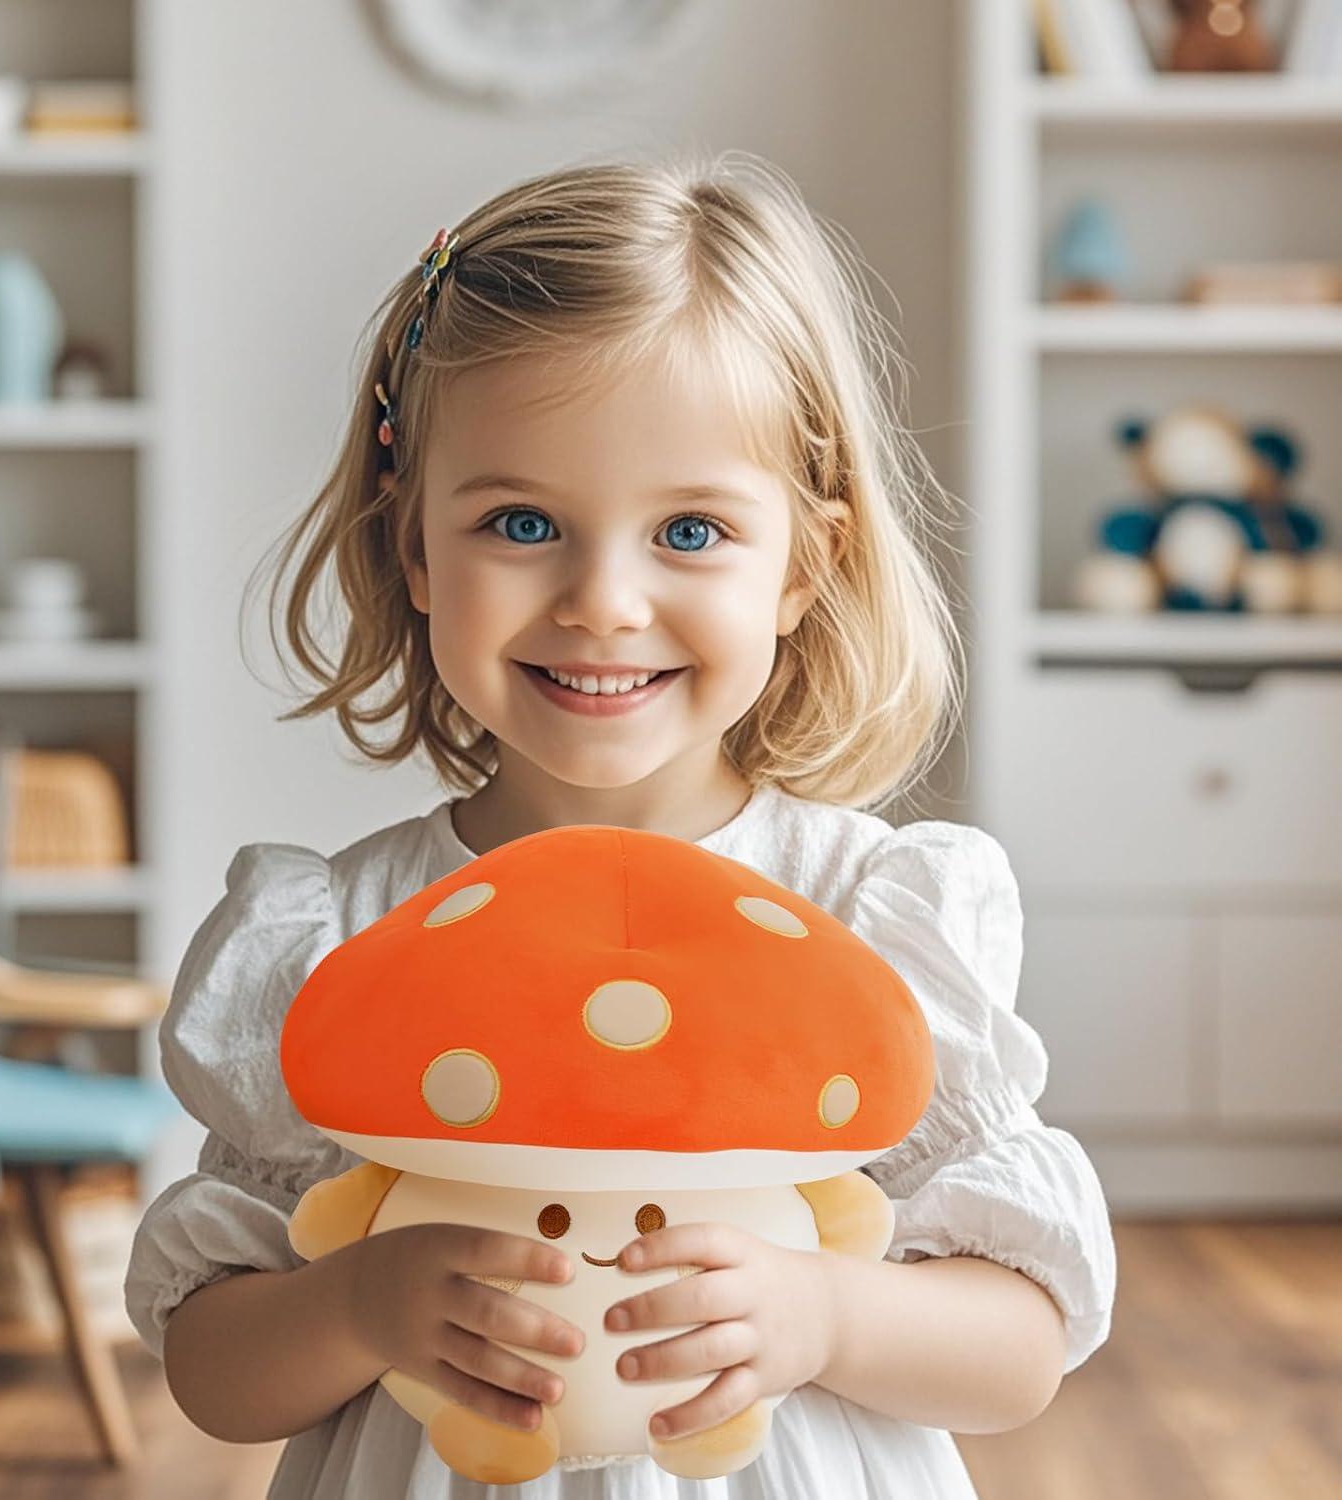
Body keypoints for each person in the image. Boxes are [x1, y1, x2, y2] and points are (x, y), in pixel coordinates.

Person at [125, 153, 1116, 1498]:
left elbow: (1022, 1346)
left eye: (691, 531)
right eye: (522, 522)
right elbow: (209, 1362)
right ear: (414, 547)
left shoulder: (873, 923)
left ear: (804, 566)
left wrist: (827, 1314)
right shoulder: (337, 943)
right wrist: (356, 1307)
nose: (603, 600)